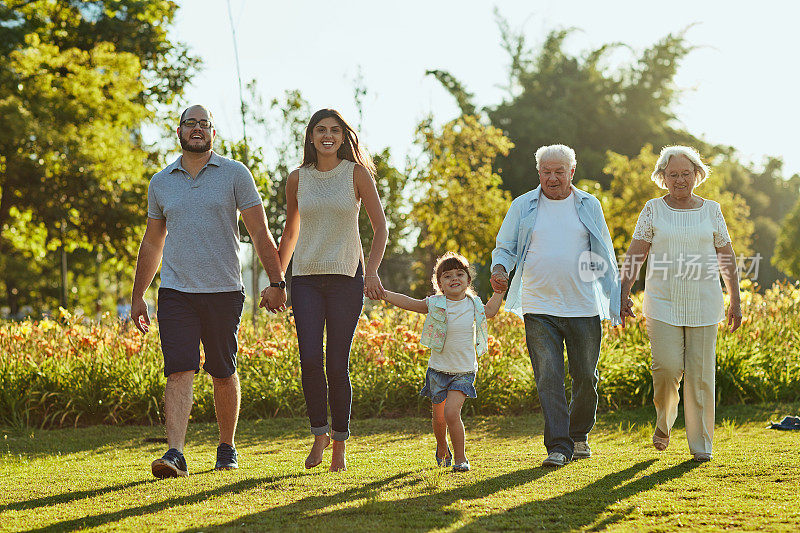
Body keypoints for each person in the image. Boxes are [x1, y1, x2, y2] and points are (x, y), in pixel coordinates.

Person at [131, 105, 287, 478]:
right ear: (180, 132)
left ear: (213, 133)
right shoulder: (161, 182)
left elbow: (260, 233)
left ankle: (227, 448)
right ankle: (175, 454)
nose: (197, 128)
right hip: (175, 291)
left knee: (222, 370)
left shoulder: (235, 174)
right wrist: (138, 294)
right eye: (191, 123)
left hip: (224, 290)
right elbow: (152, 243)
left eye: (204, 123)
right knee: (179, 369)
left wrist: (278, 282)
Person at [490, 144, 620, 467]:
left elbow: (604, 255)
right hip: (539, 304)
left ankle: (579, 434)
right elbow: (504, 247)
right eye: (546, 171)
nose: (552, 177)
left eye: (559, 171)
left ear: (572, 172)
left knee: (585, 378)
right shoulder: (523, 206)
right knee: (548, 376)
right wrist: (499, 270)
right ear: (539, 173)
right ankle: (558, 446)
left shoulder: (589, 205)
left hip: (583, 305)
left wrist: (616, 296)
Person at [274, 109, 388, 472]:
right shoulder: (296, 179)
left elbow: (380, 228)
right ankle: (318, 433)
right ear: (310, 136)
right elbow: (289, 233)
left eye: (335, 130)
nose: (327, 135)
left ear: (344, 136)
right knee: (310, 360)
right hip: (305, 278)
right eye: (320, 130)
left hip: (346, 278)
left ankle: (339, 443)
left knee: (337, 365)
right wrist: (277, 280)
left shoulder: (356, 174)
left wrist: (370, 272)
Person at [620, 145, 742, 462]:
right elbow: (636, 254)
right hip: (662, 302)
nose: (679, 180)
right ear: (663, 177)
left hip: (705, 301)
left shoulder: (712, 210)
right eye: (672, 174)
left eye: (685, 173)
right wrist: (624, 291)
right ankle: (664, 422)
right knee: (666, 368)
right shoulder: (652, 210)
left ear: (696, 175)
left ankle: (701, 444)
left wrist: (735, 299)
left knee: (701, 376)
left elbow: (726, 257)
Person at [379, 252, 503, 472]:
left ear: (468, 280)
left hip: (463, 371)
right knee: (439, 420)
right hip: (438, 370)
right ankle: (441, 446)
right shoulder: (436, 304)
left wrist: (499, 292)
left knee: (451, 413)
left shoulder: (473, 304)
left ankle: (461, 459)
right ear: (439, 284)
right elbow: (410, 303)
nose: (454, 278)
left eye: (459, 274)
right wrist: (384, 294)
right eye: (447, 276)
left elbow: (491, 311)